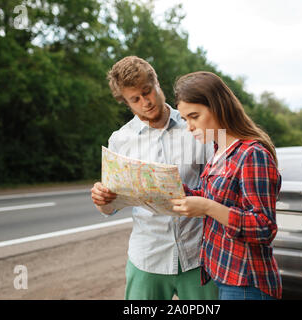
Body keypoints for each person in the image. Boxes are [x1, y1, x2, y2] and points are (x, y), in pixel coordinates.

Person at [90, 56, 218, 300]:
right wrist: (102, 200)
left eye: (147, 92)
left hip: (199, 255)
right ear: (127, 103)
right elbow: (111, 208)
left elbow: (220, 187)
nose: (145, 102)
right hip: (147, 257)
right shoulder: (120, 140)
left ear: (157, 83)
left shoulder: (196, 125)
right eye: (135, 99)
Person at [170, 71, 282, 300]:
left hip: (246, 283)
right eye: (185, 119)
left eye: (194, 116)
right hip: (223, 275)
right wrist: (172, 188)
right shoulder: (218, 150)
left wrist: (207, 208)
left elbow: (264, 226)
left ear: (219, 107)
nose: (189, 127)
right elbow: (212, 196)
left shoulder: (252, 154)